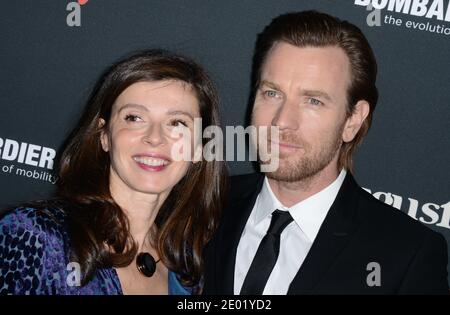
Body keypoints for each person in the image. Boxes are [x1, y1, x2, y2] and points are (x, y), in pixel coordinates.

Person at [203, 11, 449, 294]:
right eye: (272, 93)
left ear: (352, 120)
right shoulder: (202, 205)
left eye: (313, 101)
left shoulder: (406, 255)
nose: (282, 121)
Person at [0, 49, 227, 294]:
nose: (154, 138)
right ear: (104, 135)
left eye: (177, 123)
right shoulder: (37, 236)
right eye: (134, 118)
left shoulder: (187, 272)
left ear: (198, 149)